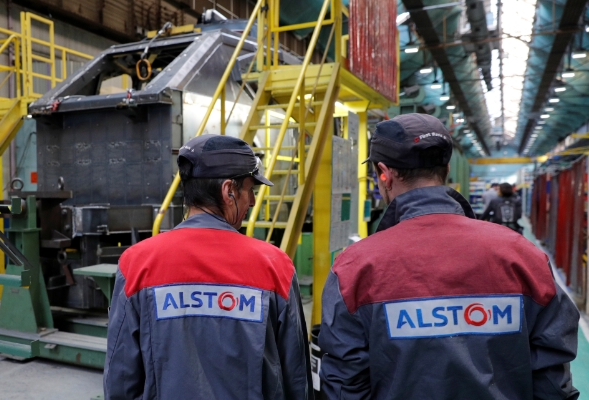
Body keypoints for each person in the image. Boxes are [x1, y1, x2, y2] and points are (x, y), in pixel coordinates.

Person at [318, 114, 579, 399]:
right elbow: (553, 382)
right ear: (446, 167)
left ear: (385, 173)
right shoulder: (524, 258)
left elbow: (346, 385)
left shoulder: (353, 269)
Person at [104, 134, 313, 399]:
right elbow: (295, 378)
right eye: (249, 190)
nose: (251, 201)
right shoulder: (275, 267)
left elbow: (120, 379)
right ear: (229, 191)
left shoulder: (137, 264)